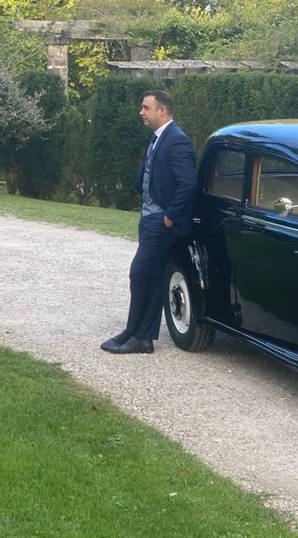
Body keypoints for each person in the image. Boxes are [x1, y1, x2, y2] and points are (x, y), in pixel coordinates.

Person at [101, 90, 198, 355]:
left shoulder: (177, 141)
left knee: (140, 273)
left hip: (161, 222)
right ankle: (135, 333)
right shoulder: (158, 139)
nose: (141, 112)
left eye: (146, 108)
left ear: (162, 111)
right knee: (151, 276)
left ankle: (141, 336)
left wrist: (170, 216)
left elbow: (188, 184)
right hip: (149, 219)